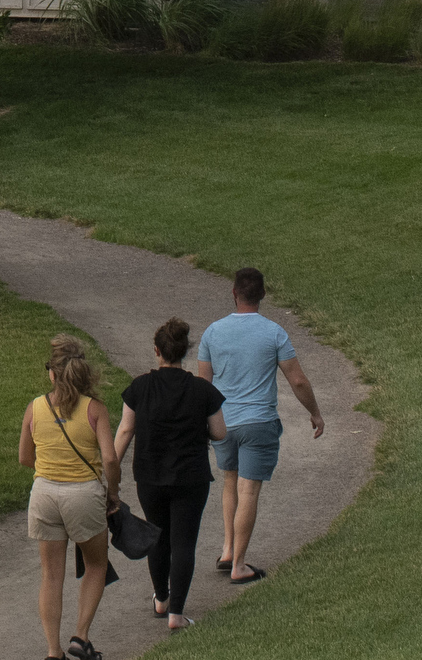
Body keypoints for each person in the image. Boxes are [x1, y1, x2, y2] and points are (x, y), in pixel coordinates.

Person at [196, 267, 325, 586]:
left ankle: (227, 550)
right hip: (259, 423)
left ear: (234, 293)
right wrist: (315, 413)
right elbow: (297, 380)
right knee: (248, 489)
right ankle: (239, 564)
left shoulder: (213, 332)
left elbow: (203, 385)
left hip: (223, 422)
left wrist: (199, 425)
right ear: (263, 295)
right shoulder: (274, 333)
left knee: (229, 481)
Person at [13, 335, 117, 660]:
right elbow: (111, 459)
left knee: (51, 575)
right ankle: (81, 635)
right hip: (83, 494)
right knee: (96, 564)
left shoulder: (36, 407)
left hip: (44, 493)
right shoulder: (94, 410)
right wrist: (112, 492)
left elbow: (25, 458)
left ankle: (53, 651)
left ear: (53, 374)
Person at [116, 316, 228, 625]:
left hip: (149, 474)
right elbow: (220, 433)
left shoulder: (140, 387)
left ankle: (161, 598)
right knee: (183, 542)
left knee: (158, 535)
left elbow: (125, 431)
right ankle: (177, 613)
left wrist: (110, 469)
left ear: (156, 350)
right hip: (191, 475)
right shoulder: (202, 390)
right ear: (185, 351)